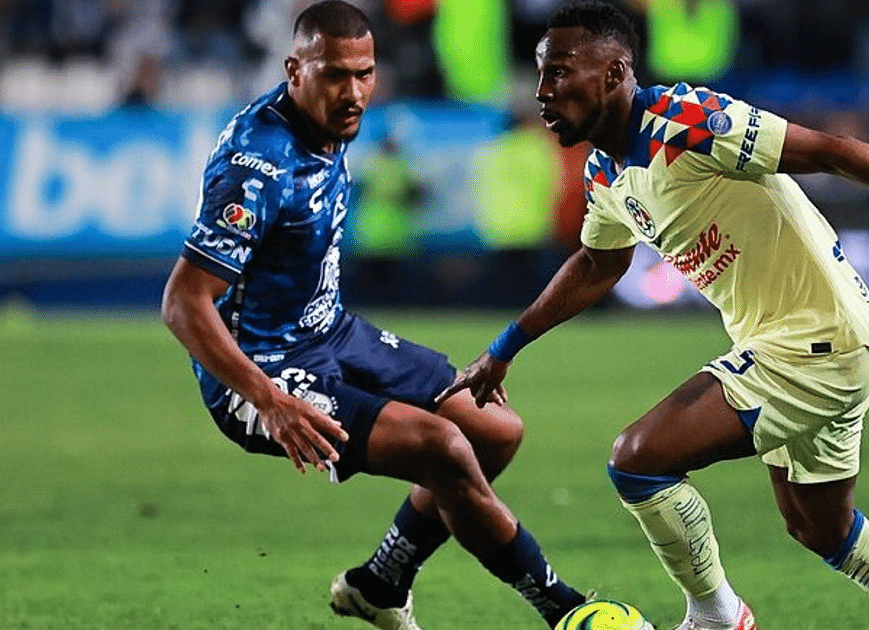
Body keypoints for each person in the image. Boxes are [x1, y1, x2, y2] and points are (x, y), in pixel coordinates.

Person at [437, 3, 869, 630]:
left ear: (616, 72)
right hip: (823, 342)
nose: (543, 92)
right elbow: (597, 264)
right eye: (540, 75)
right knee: (823, 529)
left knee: (638, 460)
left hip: (815, 341)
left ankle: (716, 617)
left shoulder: (688, 121)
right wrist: (507, 345)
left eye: (560, 73)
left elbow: (831, 150)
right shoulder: (603, 171)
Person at [159, 3, 587, 629]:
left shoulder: (329, 123)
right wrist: (270, 401)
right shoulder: (258, 166)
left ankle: (381, 584)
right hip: (261, 369)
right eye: (335, 75)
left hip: (330, 332)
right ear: (294, 70)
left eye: (365, 74)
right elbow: (182, 303)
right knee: (444, 447)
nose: (354, 92)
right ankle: (567, 611)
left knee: (495, 431)